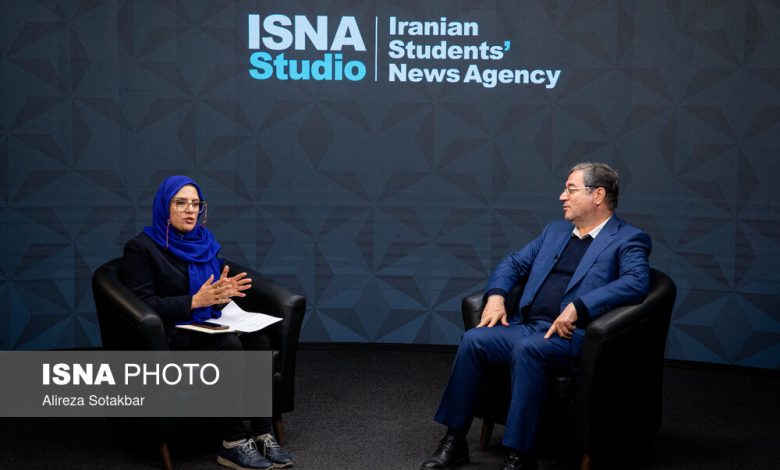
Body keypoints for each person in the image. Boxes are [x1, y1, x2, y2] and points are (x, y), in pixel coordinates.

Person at [421, 163, 651, 470]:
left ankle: (520, 456)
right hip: (528, 326)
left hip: (572, 337)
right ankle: (455, 441)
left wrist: (580, 307)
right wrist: (497, 296)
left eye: (570, 189)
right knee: (473, 340)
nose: (562, 196)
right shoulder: (555, 232)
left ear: (598, 195)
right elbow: (513, 263)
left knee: (528, 350)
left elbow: (636, 281)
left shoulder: (628, 239)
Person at [123, 175, 293, 470]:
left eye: (195, 204)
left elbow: (210, 294)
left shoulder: (204, 242)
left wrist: (220, 294)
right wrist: (193, 301)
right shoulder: (141, 248)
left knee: (259, 340)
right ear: (164, 207)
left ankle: (262, 433)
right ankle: (233, 442)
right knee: (228, 344)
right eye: (181, 203)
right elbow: (142, 304)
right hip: (168, 334)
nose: (190, 210)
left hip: (204, 324)